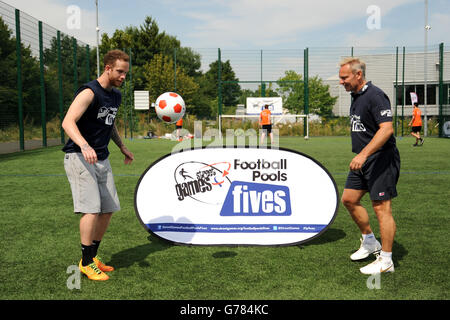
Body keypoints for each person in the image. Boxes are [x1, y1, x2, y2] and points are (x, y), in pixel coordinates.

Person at [62, 49, 134, 281]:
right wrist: (84, 145)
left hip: (102, 157)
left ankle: (92, 258)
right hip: (79, 156)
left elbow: (108, 123)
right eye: (120, 72)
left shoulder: (116, 96)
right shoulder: (89, 92)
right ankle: (85, 262)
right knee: (91, 209)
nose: (123, 76)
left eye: (126, 73)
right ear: (108, 68)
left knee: (108, 208)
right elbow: (68, 122)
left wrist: (122, 146)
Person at [339, 57, 400, 275]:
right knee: (349, 199)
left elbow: (386, 130)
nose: (341, 81)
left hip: (381, 159)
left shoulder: (376, 95)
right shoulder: (356, 96)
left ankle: (386, 260)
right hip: (364, 160)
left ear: (358, 75)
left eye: (344, 77)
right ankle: (370, 242)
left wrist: (364, 154)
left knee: (381, 208)